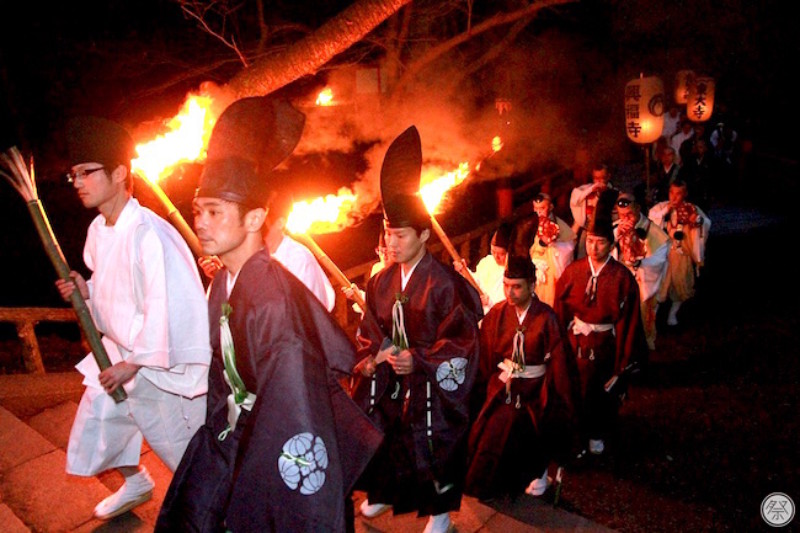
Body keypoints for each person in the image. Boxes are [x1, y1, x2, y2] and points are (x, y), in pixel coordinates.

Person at [156, 97, 381, 532]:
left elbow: (296, 406)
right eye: (198, 211)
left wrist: (261, 463)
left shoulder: (275, 302)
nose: (200, 223)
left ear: (255, 216)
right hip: (232, 435)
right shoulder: (224, 281)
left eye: (215, 212)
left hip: (269, 439)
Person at [56, 116, 210, 520]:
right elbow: (113, 284)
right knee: (97, 431)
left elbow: (170, 306)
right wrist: (86, 290)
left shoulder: (150, 234)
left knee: (181, 453)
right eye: (73, 174)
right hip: (115, 357)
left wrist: (135, 363)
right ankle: (137, 482)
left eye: (86, 172)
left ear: (120, 172)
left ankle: (222, 516)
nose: (77, 182)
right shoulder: (98, 230)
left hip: (154, 367)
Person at [352, 126, 482, 533]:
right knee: (387, 435)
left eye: (400, 234)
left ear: (424, 235)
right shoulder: (381, 280)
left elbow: (462, 342)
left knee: (434, 445)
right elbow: (371, 328)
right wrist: (374, 356)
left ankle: (440, 513)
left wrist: (421, 360)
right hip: (395, 377)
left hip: (430, 382)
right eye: (388, 233)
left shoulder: (444, 283)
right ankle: (385, 493)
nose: (391, 241)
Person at [465, 256, 575, 501]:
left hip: (536, 388)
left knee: (524, 421)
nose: (510, 293)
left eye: (517, 287)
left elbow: (558, 364)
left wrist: (561, 398)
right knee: (490, 425)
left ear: (532, 286)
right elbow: (485, 357)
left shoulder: (547, 318)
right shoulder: (497, 313)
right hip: (504, 383)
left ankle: (534, 472)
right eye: (506, 285)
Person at [554, 200, 646, 457]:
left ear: (611, 243)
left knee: (600, 392)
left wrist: (624, 360)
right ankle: (576, 437)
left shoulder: (622, 278)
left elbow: (628, 322)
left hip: (605, 343)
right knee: (574, 391)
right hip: (577, 343)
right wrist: (558, 344)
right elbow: (560, 310)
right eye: (590, 241)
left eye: (601, 242)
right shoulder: (573, 272)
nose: (593, 247)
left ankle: (597, 434)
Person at [198, 189, 336, 312]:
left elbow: (301, 317)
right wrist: (222, 278)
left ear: (280, 222)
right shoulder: (245, 256)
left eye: (264, 219)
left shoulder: (298, 259)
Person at [648, 180, 711, 326]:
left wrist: (697, 221)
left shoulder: (691, 209)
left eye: (678, 194)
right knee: (660, 285)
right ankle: (653, 315)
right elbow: (652, 219)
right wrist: (666, 212)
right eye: (671, 193)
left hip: (681, 254)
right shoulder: (663, 207)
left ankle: (672, 314)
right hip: (664, 254)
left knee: (681, 285)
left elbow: (705, 222)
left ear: (685, 194)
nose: (674, 197)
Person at [613, 193, 670, 351]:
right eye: (621, 214)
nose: (625, 218)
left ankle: (644, 344)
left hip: (642, 279)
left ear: (638, 209)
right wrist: (616, 237)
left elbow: (659, 260)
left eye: (629, 214)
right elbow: (607, 251)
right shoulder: (616, 228)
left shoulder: (655, 233)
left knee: (641, 315)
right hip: (622, 277)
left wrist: (640, 263)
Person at [454, 222, 512, 314]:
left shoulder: (513, 271)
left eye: (501, 254)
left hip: (499, 316)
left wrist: (490, 302)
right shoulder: (487, 262)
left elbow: (511, 302)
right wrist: (464, 271)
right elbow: (477, 282)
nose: (496, 257)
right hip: (482, 312)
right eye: (493, 251)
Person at [529, 192, 575, 307]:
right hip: (537, 265)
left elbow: (569, 244)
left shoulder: (558, 225)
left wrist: (553, 244)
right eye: (536, 208)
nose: (539, 212)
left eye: (543, 208)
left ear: (550, 207)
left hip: (553, 266)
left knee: (551, 298)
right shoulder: (533, 223)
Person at [569, 163, 614, 259]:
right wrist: (590, 190)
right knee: (581, 256)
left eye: (602, 178)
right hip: (587, 231)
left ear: (608, 177)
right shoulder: (585, 190)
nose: (598, 181)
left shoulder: (614, 193)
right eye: (595, 178)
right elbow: (575, 200)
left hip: (604, 234)